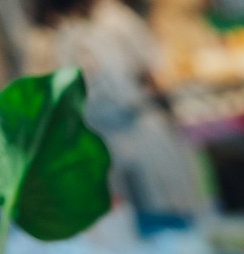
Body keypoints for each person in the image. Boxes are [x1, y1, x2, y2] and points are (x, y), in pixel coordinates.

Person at [23, 0, 208, 223]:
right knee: (123, 223)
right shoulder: (50, 37)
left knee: (171, 210)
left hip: (140, 127)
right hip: (97, 139)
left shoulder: (114, 18)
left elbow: (152, 73)